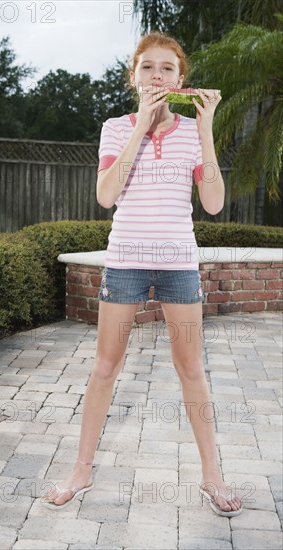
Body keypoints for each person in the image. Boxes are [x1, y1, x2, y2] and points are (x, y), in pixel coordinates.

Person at [41, 31, 243, 517]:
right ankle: (81, 469)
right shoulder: (114, 128)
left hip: (178, 263)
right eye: (148, 67)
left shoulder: (194, 133)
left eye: (168, 68)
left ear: (181, 79)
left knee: (191, 368)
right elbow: (106, 196)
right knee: (105, 367)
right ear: (134, 76)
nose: (158, 75)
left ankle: (212, 477)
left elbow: (213, 204)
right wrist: (140, 129)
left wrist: (207, 128)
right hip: (125, 260)